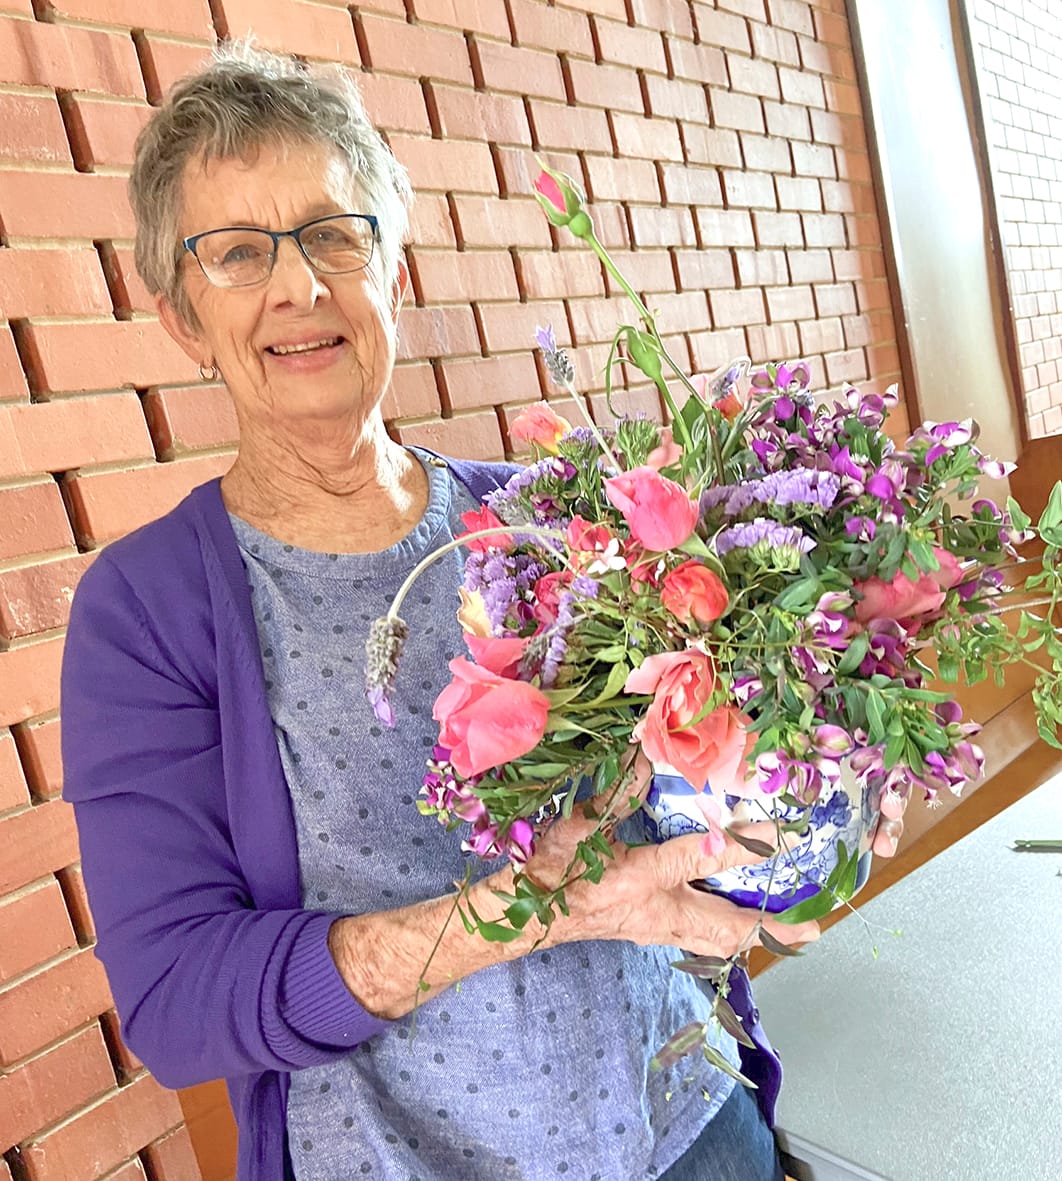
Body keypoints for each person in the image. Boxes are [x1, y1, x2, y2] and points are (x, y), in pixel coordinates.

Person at [61, 42, 903, 1181]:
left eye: (331, 231)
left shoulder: (545, 520)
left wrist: (805, 800)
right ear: (179, 315)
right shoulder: (148, 609)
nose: (299, 285)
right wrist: (534, 910)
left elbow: (681, 779)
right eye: (237, 252)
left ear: (391, 265)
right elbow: (175, 1000)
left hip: (694, 1126)